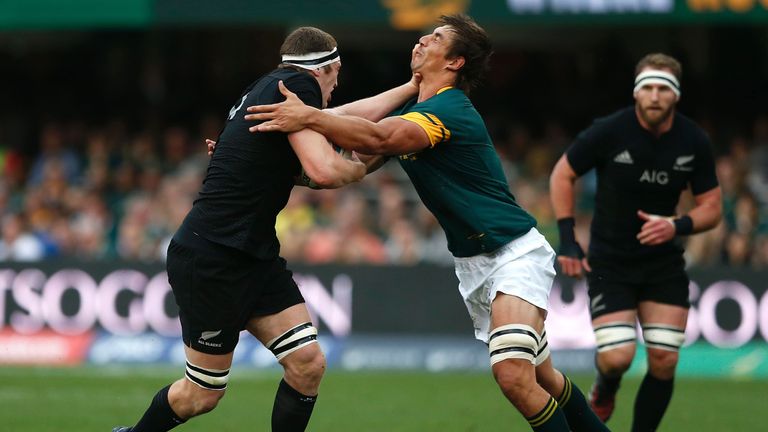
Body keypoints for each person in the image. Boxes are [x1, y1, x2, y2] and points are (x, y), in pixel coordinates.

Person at [245, 14, 609, 432]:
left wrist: (307, 117)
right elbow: (346, 163)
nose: (421, 40)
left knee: (512, 376)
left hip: (513, 252)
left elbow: (377, 139)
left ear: (454, 62)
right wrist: (254, 157)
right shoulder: (412, 108)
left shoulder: (450, 109)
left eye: (435, 38)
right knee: (545, 378)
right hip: (474, 263)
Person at [113, 26, 420, 432]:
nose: (336, 86)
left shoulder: (272, 86)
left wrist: (409, 89)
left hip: (251, 254)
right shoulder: (299, 85)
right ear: (331, 68)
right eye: (337, 76)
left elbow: (338, 117)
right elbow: (324, 171)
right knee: (202, 395)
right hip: (215, 256)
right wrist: (364, 164)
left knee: (307, 364)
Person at [548, 53, 722, 431]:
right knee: (617, 358)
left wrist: (677, 225)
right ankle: (606, 388)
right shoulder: (610, 131)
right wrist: (567, 240)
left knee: (664, 360)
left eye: (663, 88)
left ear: (675, 95)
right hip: (611, 262)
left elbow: (713, 208)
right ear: (636, 93)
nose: (655, 96)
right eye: (647, 88)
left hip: (664, 264)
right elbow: (563, 174)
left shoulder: (694, 140)